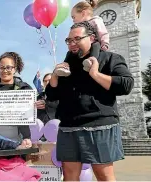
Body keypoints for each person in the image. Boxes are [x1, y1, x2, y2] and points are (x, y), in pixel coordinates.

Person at [45, 22, 134, 181]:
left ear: (92, 38)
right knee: (69, 176)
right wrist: (55, 76)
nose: (72, 44)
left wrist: (95, 74)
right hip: (68, 127)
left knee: (104, 176)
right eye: (69, 40)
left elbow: (126, 85)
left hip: (100, 124)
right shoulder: (66, 67)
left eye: (77, 39)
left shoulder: (110, 58)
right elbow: (52, 96)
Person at [55, 0, 109, 76]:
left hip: (94, 45)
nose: (73, 20)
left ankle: (90, 63)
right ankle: (65, 66)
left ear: (83, 13)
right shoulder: (78, 27)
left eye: (74, 17)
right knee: (70, 52)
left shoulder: (95, 21)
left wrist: (105, 44)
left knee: (95, 45)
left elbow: (103, 33)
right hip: (82, 49)